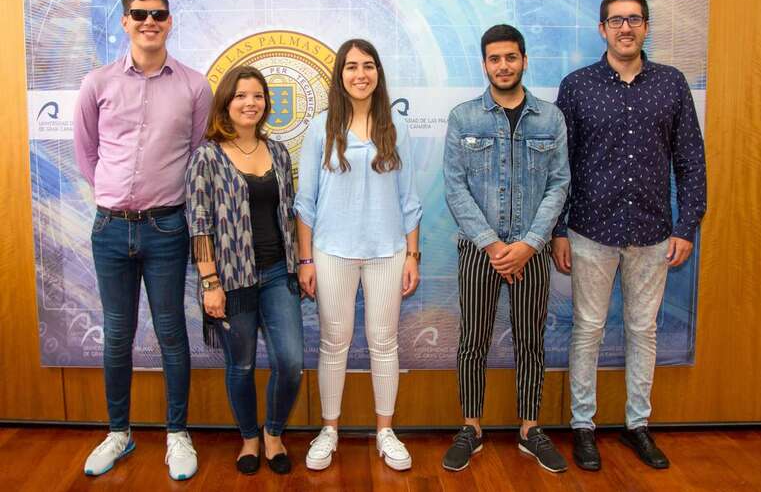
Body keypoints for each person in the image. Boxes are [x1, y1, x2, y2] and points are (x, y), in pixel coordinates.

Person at [552, 0, 707, 471]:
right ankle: (583, 428)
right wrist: (558, 229)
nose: (625, 28)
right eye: (616, 20)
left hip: (654, 233)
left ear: (645, 27)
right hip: (589, 232)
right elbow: (561, 166)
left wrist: (687, 224)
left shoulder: (672, 83)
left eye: (634, 20)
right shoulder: (577, 86)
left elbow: (691, 160)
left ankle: (638, 424)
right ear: (602, 29)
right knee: (588, 331)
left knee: (643, 330)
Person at [74, 0, 212, 480]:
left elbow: (195, 152)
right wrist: (112, 196)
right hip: (110, 228)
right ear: (125, 22)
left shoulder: (195, 87)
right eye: (140, 13)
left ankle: (177, 435)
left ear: (170, 20)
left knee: (172, 333)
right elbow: (86, 153)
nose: (150, 21)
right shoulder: (97, 84)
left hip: (167, 227)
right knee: (117, 335)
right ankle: (119, 433)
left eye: (159, 13)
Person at [441, 24, 570, 473]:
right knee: (471, 340)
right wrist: (495, 245)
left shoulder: (550, 118)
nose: (503, 66)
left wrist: (531, 243)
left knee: (531, 342)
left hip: (532, 253)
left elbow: (559, 185)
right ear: (484, 64)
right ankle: (471, 428)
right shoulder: (463, 117)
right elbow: (455, 188)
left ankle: (530, 429)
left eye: (510, 57)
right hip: (480, 251)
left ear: (524, 60)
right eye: (494, 59)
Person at [294, 39, 423, 472]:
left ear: (378, 74)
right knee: (335, 343)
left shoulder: (396, 127)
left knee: (384, 343)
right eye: (351, 67)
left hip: (388, 252)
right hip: (331, 252)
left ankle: (385, 431)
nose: (360, 74)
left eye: (368, 66)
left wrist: (412, 255)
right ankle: (329, 429)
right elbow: (305, 201)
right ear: (340, 74)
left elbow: (409, 199)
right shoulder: (320, 127)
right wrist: (306, 259)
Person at [184, 66, 304, 475]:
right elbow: (199, 223)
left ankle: (274, 434)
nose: (250, 103)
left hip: (276, 274)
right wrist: (210, 283)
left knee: (289, 362)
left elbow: (290, 214)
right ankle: (249, 438)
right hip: (231, 281)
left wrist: (301, 262)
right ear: (226, 103)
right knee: (243, 366)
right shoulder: (207, 156)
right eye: (240, 96)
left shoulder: (280, 152)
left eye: (257, 96)